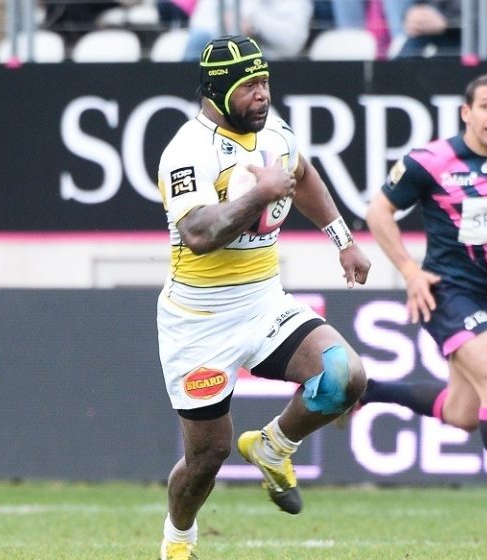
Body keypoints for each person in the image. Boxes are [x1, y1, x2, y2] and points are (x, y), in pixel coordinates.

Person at [155, 34, 371, 560]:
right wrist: (260, 192)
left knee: (347, 377)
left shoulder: (275, 133)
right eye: (249, 85)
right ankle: (179, 536)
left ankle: (274, 445)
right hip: (199, 320)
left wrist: (343, 240)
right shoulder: (186, 152)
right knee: (207, 457)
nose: (262, 95)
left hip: (263, 302)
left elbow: (303, 175)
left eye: (265, 82)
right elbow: (200, 237)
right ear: (217, 92)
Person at [363, 74, 487, 542]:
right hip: (446, 292)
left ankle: (366, 392)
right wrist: (411, 272)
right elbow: (378, 213)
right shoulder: (430, 160)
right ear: (466, 113)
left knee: (464, 413)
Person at [182, 0, 314, 60]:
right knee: (200, 41)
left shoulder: (295, 3)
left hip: (269, 61)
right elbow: (198, 26)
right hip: (224, 54)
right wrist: (228, 28)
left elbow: (292, 44)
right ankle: (193, 96)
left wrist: (255, 24)